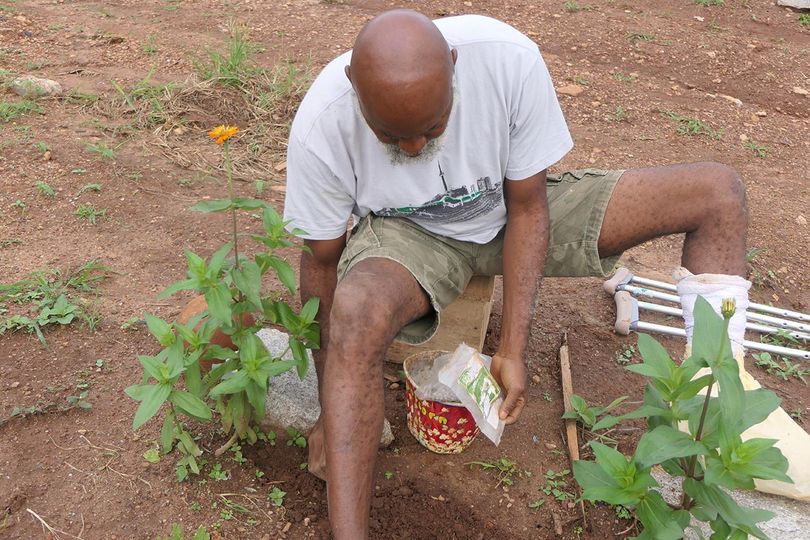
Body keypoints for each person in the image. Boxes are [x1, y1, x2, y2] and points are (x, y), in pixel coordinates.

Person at [282, 9, 752, 538]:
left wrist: (512, 348)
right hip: (409, 238)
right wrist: (329, 408)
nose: (413, 148)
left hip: (512, 211)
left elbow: (528, 208)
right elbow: (321, 260)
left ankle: (715, 419)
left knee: (717, 193)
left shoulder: (507, 60)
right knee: (355, 311)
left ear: (454, 68)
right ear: (353, 88)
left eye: (433, 126)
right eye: (391, 135)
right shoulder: (323, 122)